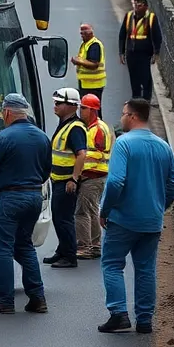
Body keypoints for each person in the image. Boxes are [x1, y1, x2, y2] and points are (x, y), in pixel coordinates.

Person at [98, 98, 174, 333]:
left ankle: (118, 313)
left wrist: (105, 210)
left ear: (133, 116)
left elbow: (115, 181)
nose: (121, 117)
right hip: (151, 221)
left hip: (123, 219)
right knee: (145, 268)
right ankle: (144, 319)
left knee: (112, 264)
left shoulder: (124, 144)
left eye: (124, 113)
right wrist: (160, 205)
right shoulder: (162, 146)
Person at [0, 93, 52, 314]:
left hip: (9, 199)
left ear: (7, 112)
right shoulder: (41, 137)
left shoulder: (3, 138)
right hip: (33, 198)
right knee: (25, 246)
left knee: (4, 250)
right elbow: (47, 170)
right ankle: (38, 298)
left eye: (2, 115)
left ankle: (5, 301)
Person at [45, 87, 87, 269]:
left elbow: (82, 154)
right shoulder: (65, 124)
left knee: (64, 219)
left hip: (67, 182)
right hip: (58, 180)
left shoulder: (75, 128)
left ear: (72, 106)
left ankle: (70, 256)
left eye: (59, 103)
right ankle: (62, 250)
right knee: (58, 217)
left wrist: (74, 179)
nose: (55, 106)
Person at [75, 93, 113, 260]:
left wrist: (78, 159)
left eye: (83, 108)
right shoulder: (96, 127)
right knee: (92, 211)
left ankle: (85, 247)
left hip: (92, 176)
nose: (80, 111)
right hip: (97, 176)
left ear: (91, 110)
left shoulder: (96, 129)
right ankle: (95, 246)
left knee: (82, 212)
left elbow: (94, 153)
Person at [119, 0, 162, 100]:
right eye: (135, 5)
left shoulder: (151, 18)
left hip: (145, 54)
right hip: (131, 53)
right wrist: (121, 53)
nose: (137, 8)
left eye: (140, 5)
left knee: (145, 77)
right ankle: (136, 98)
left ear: (146, 7)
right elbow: (122, 35)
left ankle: (146, 100)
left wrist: (156, 53)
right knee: (134, 78)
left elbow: (157, 36)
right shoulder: (129, 16)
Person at [71, 22, 106, 102]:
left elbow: (94, 64)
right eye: (81, 33)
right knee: (88, 109)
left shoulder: (94, 45)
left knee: (93, 110)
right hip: (86, 83)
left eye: (85, 32)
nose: (82, 35)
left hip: (93, 84)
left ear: (91, 33)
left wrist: (78, 61)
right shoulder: (85, 44)